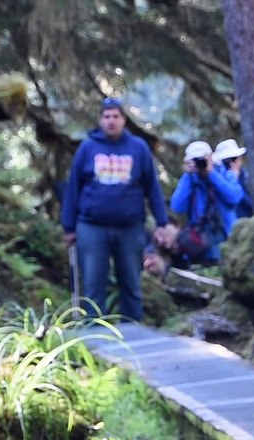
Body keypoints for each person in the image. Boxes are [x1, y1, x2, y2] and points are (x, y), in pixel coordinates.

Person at [61, 97, 176, 322]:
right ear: (100, 120)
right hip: (92, 227)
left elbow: (152, 187)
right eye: (106, 116)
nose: (111, 121)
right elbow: (73, 188)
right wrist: (68, 227)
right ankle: (95, 337)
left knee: (131, 283)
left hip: (129, 228)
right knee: (94, 285)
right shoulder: (88, 147)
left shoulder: (138, 148)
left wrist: (162, 223)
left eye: (116, 116)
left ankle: (133, 334)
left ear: (124, 120)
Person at [168, 140, 244, 266]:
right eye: (196, 160)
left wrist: (211, 174)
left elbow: (235, 197)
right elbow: (177, 207)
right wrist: (187, 176)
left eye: (202, 159)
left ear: (210, 157)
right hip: (201, 246)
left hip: (227, 239)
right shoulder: (190, 180)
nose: (200, 163)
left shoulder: (224, 174)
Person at [214, 138, 254, 219]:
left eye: (233, 159)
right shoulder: (217, 180)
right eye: (226, 161)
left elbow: (251, 203)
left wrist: (237, 180)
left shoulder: (247, 177)